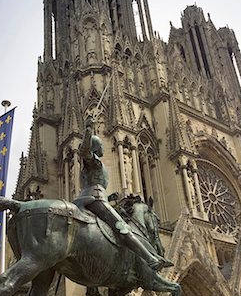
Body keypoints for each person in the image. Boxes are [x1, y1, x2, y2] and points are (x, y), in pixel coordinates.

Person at [74, 116, 173, 278]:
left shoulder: (94, 166)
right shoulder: (93, 162)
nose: (102, 149)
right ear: (97, 148)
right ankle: (150, 258)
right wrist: (88, 130)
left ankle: (93, 285)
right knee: (123, 227)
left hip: (94, 198)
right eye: (99, 146)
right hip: (95, 199)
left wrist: (112, 196)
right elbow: (84, 151)